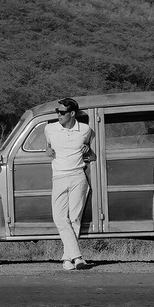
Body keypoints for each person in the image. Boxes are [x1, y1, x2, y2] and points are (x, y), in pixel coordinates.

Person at [44, 97, 95, 270]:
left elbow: (91, 150)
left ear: (72, 113)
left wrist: (88, 150)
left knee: (74, 218)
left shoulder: (85, 129)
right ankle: (77, 257)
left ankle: (68, 259)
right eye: (57, 112)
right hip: (58, 176)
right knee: (59, 218)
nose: (58, 115)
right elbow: (48, 145)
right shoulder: (50, 128)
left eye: (62, 112)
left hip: (78, 176)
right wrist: (47, 149)